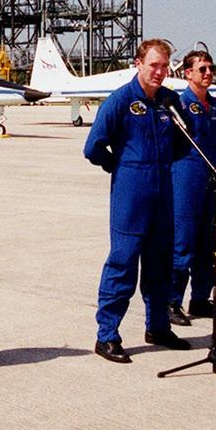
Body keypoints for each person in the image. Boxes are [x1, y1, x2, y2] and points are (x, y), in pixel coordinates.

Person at [84, 39, 192, 363]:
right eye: (154, 65)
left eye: (164, 66)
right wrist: (120, 165)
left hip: (163, 194)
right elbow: (92, 148)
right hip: (131, 195)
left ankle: (158, 328)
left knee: (160, 266)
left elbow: (185, 142)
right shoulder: (119, 102)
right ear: (138, 64)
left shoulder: (170, 101)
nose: (160, 72)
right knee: (123, 264)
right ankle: (107, 336)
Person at [169, 50, 216, 325]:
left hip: (210, 178)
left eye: (210, 68)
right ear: (188, 73)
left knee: (208, 242)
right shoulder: (179, 105)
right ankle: (172, 301)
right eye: (202, 69)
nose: (208, 73)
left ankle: (200, 299)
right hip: (186, 177)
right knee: (183, 242)